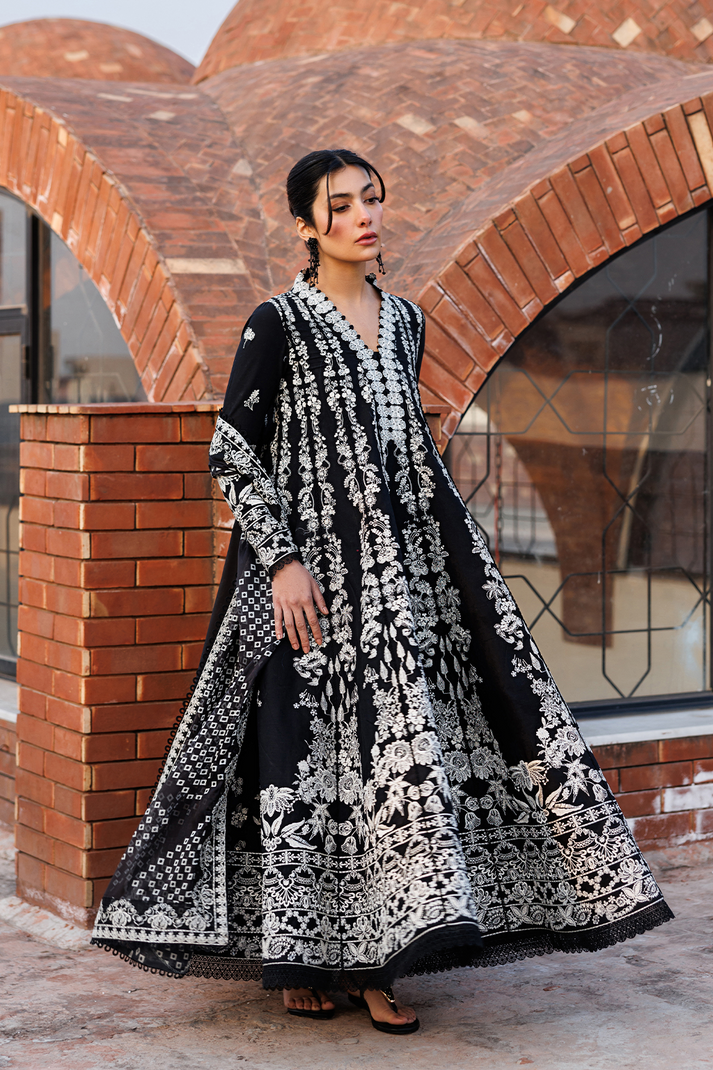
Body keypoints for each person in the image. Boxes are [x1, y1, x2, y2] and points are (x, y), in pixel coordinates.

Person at [92, 149, 672, 1035]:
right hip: (311, 582)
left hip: (408, 579)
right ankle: (303, 957)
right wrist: (282, 561)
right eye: (340, 205)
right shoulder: (276, 324)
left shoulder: (405, 321)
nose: (363, 216)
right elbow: (232, 452)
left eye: (371, 199)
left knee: (399, 757)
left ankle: (382, 962)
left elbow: (406, 447)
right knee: (309, 753)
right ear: (305, 225)